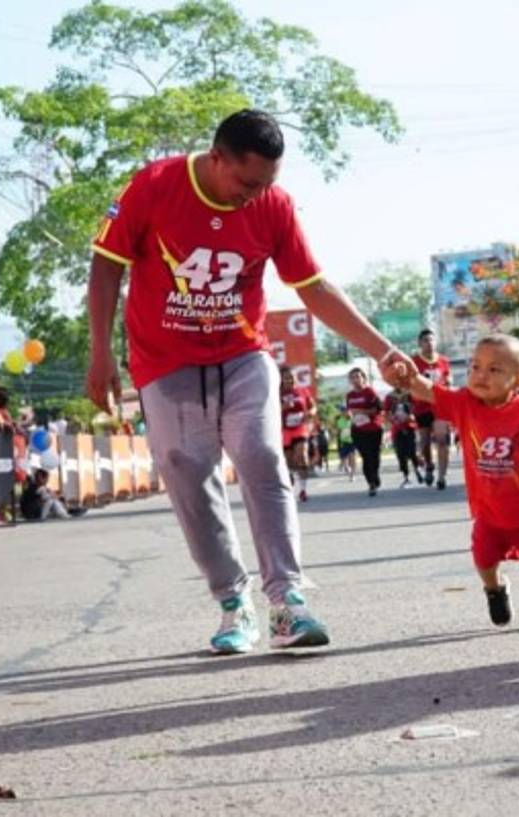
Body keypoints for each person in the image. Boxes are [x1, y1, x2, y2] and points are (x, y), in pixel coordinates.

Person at [84, 109, 410, 654]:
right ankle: (234, 604)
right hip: (164, 359)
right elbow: (106, 264)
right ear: (217, 159)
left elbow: (315, 287)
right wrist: (99, 353)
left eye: (267, 185)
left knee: (261, 453)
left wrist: (383, 349)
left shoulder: (273, 206)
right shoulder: (154, 185)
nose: (254, 195)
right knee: (189, 471)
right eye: (246, 183)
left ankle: (287, 602)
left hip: (242, 352)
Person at [394, 334, 519, 628]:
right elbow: (430, 391)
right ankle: (494, 589)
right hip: (489, 508)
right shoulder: (464, 402)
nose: (480, 375)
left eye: (494, 369)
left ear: (517, 381)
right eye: (476, 367)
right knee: (484, 556)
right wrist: (407, 378)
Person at [411, 328, 453, 489]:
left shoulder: (443, 361)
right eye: (426, 341)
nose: (429, 343)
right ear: (420, 344)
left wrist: (448, 383)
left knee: (442, 440)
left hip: (440, 405)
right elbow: (410, 383)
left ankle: (442, 476)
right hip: (421, 405)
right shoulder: (414, 361)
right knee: (425, 442)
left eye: (432, 340)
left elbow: (447, 378)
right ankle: (429, 465)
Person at [344, 367, 385, 497]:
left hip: (373, 428)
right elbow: (349, 412)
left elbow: (378, 409)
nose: (355, 379)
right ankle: (371, 483)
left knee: (374, 455)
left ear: (363, 378)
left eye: (358, 376)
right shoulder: (349, 396)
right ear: (350, 380)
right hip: (358, 430)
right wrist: (349, 415)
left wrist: (361, 411)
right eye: (353, 377)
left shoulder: (370, 392)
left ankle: (375, 475)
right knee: (366, 456)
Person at [278, 365, 316, 503]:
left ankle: (303, 490)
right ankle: (291, 476)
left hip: (300, 428)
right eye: (286, 378)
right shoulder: (277, 393)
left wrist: (310, 413)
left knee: (302, 456)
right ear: (281, 380)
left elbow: (313, 407)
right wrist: (283, 407)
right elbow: (270, 411)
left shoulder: (302, 391)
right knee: (289, 461)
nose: (290, 380)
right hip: (284, 430)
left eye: (291, 377)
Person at [383, 384, 419, 487]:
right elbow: (386, 413)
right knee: (400, 453)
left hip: (410, 427)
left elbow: (416, 409)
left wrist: (411, 416)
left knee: (412, 451)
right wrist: (391, 420)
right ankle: (406, 476)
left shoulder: (410, 395)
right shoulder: (389, 397)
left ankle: (417, 469)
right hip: (396, 429)